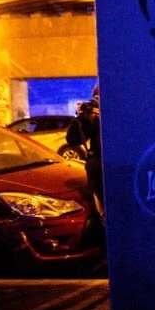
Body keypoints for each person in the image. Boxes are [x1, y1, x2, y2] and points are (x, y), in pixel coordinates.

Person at [66, 83, 103, 221]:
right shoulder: (92, 116)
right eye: (95, 98)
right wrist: (81, 118)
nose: (96, 101)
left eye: (99, 98)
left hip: (115, 164)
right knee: (103, 209)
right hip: (98, 166)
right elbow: (73, 140)